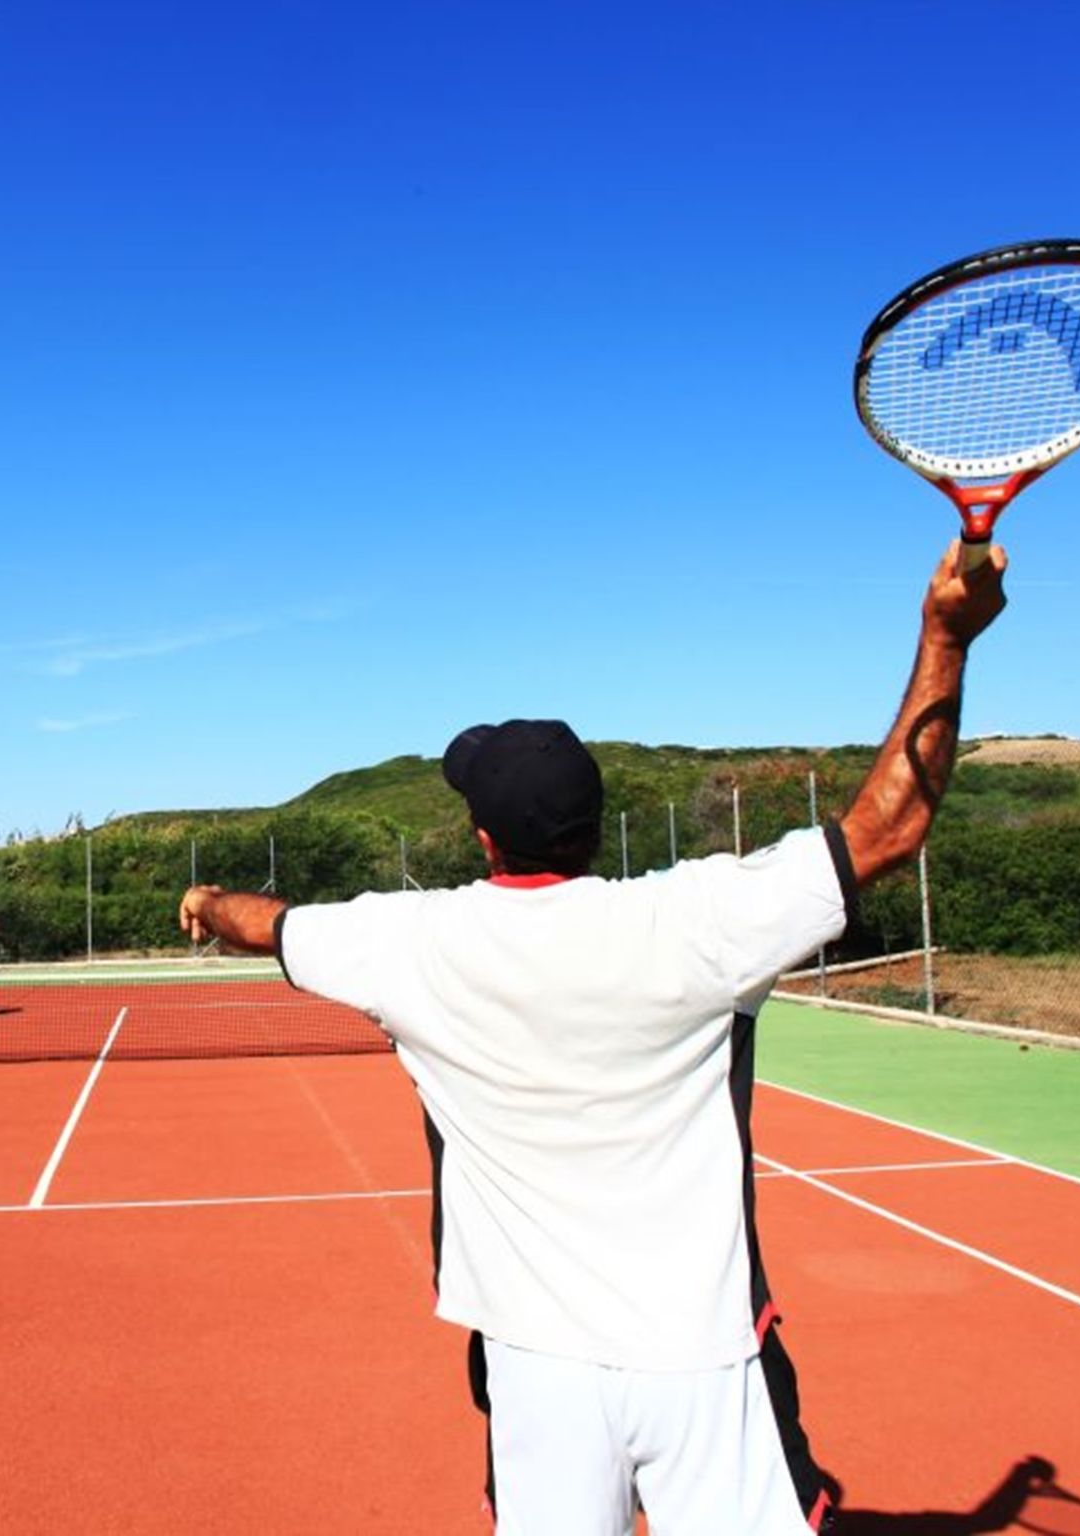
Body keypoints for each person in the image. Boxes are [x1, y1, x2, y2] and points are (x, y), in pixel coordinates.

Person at [178, 540, 1008, 1535]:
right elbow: (888, 826)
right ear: (592, 825)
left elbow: (265, 924)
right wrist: (943, 636)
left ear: (483, 838)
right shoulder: (699, 918)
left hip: (534, 1366)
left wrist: (205, 898)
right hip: (701, 1356)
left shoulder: (408, 942)